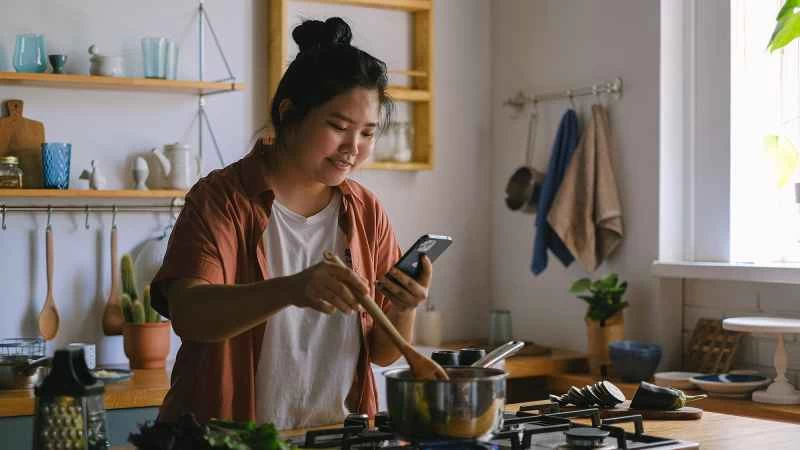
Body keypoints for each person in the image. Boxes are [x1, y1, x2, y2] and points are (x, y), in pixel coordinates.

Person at [149, 17, 433, 430]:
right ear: (289, 114)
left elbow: (381, 354)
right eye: (338, 127)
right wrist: (294, 288)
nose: (354, 148)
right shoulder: (222, 199)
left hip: (335, 435)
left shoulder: (366, 211)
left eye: (368, 133)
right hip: (229, 438)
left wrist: (404, 308)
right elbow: (190, 314)